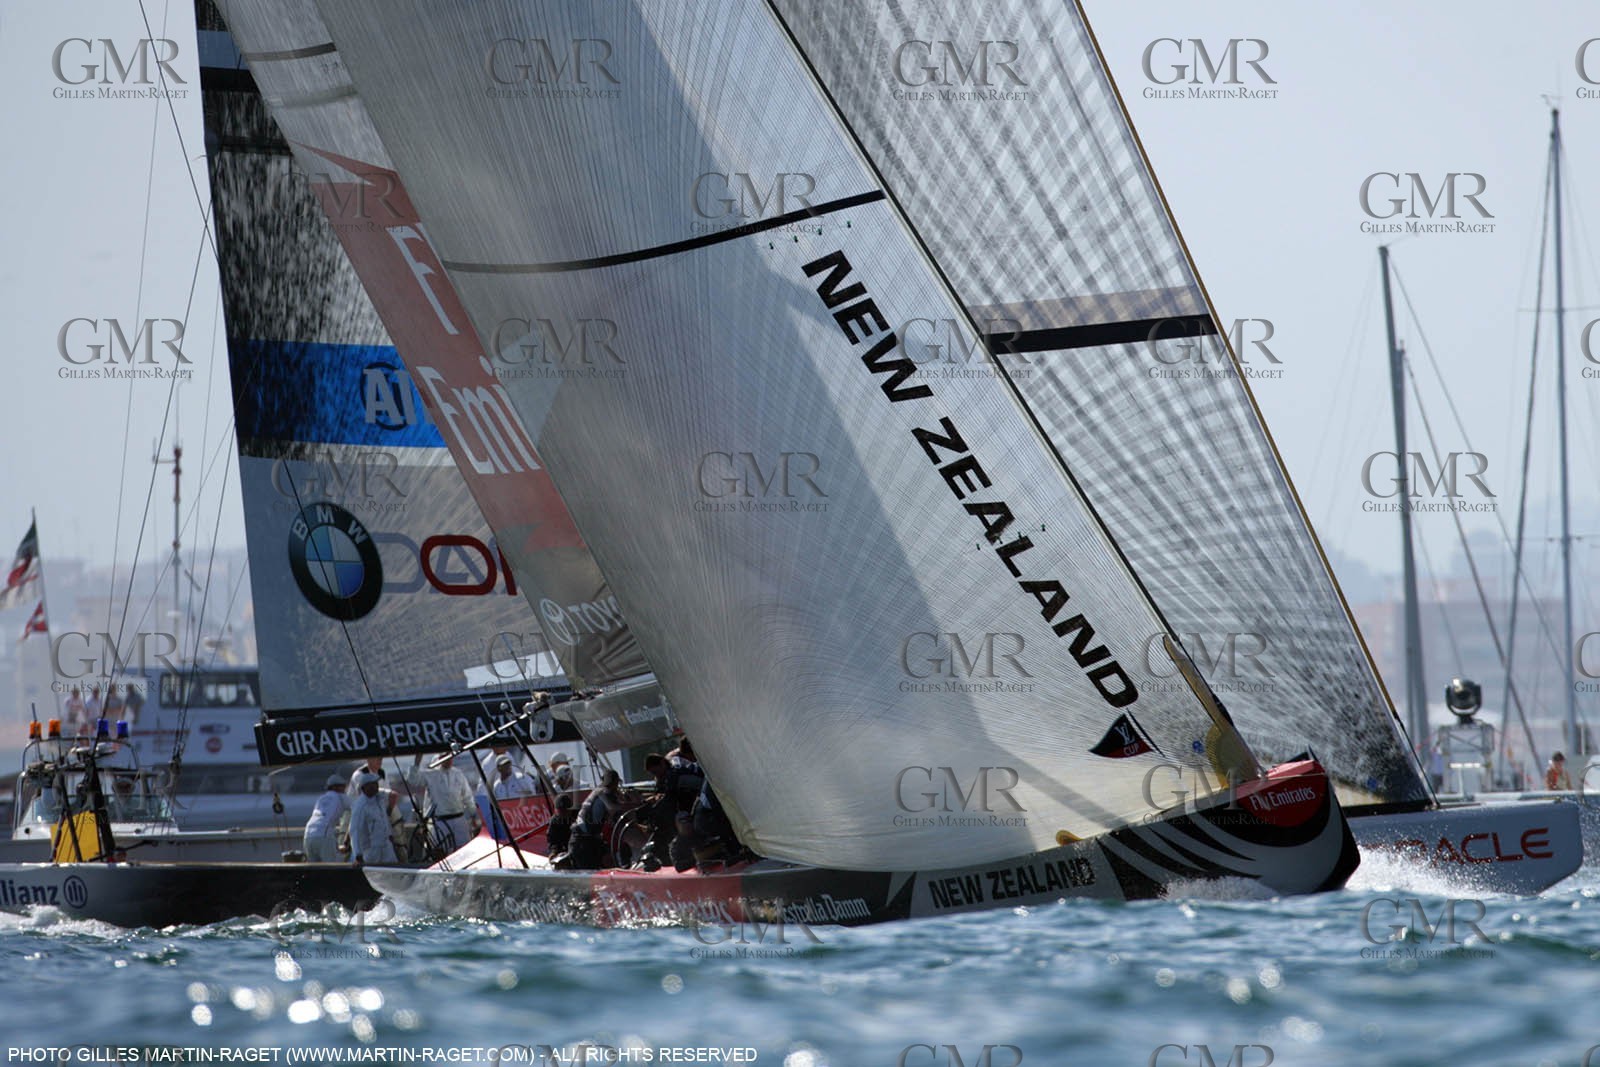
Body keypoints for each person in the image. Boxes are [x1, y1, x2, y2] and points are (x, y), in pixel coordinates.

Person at [421, 752, 476, 852]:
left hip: (459, 819)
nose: (449, 760)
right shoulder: (431, 775)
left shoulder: (458, 774)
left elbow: (467, 796)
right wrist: (417, 761)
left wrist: (473, 814)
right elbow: (413, 779)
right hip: (441, 821)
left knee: (464, 849)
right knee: (442, 850)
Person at [348, 770, 398, 866]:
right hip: (371, 849)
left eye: (376, 783)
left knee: (393, 868)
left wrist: (390, 834)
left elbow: (384, 818)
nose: (376, 786)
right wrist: (358, 854)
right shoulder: (360, 806)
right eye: (372, 784)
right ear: (364, 788)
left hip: (386, 846)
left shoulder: (378, 798)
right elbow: (355, 831)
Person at [303, 774, 348, 862]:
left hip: (308, 835)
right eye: (343, 787)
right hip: (324, 836)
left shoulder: (321, 799)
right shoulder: (341, 796)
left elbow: (322, 819)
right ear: (336, 787)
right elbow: (357, 808)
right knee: (332, 868)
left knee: (314, 868)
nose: (344, 790)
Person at [545, 794, 575, 859]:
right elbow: (552, 839)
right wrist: (554, 851)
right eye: (560, 811)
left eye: (565, 810)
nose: (563, 813)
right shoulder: (554, 821)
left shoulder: (578, 817)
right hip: (564, 851)